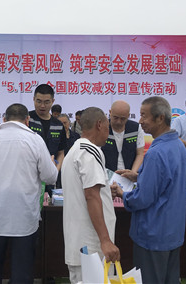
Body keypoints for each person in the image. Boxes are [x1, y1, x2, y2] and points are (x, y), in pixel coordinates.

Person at [0, 103, 58, 283]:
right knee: (22, 274)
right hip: (24, 219)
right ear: (27, 120)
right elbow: (50, 177)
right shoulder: (35, 140)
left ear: (4, 119)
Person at [111, 96, 186, 284]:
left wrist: (123, 194)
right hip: (173, 231)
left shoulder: (156, 153)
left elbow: (143, 198)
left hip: (153, 233)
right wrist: (140, 177)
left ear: (160, 118)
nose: (140, 121)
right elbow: (170, 182)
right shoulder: (178, 146)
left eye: (144, 116)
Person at [62, 107, 120, 283]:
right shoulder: (89, 150)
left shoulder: (75, 150)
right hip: (92, 246)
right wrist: (105, 240)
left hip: (81, 244)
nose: (108, 133)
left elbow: (90, 192)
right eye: (108, 127)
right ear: (99, 125)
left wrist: (105, 192)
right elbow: (91, 196)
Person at [28, 84, 67, 182]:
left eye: (46, 102)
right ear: (33, 99)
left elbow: (61, 152)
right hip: (29, 176)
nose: (42, 106)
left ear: (52, 101)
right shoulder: (27, 119)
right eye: (39, 101)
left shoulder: (58, 125)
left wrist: (55, 171)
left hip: (49, 178)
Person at [101, 100, 145, 176]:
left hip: (130, 174)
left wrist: (132, 173)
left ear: (128, 115)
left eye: (123, 119)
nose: (118, 122)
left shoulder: (136, 128)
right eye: (115, 117)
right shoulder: (101, 128)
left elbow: (140, 154)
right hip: (106, 175)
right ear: (110, 112)